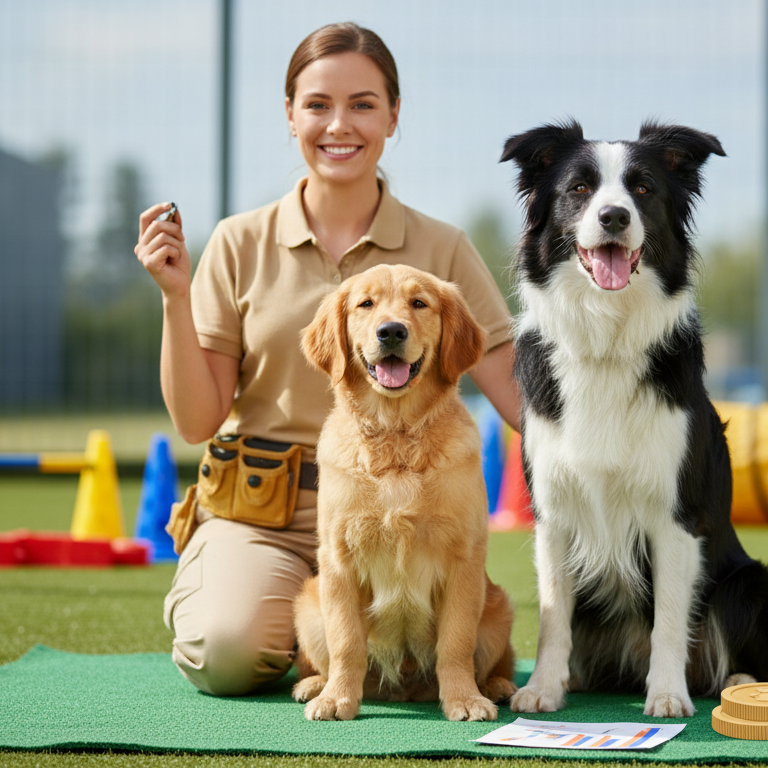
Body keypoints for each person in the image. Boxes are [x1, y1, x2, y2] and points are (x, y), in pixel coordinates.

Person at [134, 22, 520, 696]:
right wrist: (174, 297)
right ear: (290, 115)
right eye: (317, 105)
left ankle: (369, 655)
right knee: (225, 655)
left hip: (422, 502)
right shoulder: (237, 242)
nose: (339, 124)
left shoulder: (444, 248)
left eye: (363, 104)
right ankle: (314, 643)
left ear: (394, 115)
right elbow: (198, 422)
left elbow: (523, 397)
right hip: (264, 515)